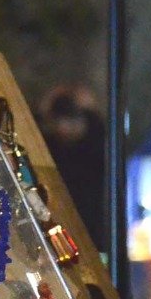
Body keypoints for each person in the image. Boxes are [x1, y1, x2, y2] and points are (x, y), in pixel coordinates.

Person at [39, 85, 107, 251]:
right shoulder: (54, 147)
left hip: (93, 232)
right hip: (61, 227)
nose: (63, 129)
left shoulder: (94, 148)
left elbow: (101, 134)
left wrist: (91, 111)